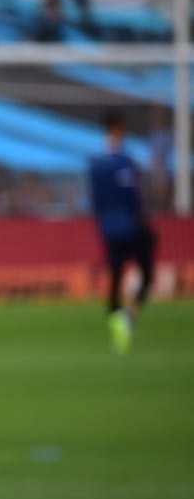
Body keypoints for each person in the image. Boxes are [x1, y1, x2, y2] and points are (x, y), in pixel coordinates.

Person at [88, 109, 157, 354]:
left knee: (116, 276)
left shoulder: (95, 164)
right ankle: (129, 316)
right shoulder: (124, 162)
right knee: (147, 274)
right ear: (119, 128)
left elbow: (94, 201)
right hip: (130, 226)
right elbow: (132, 197)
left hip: (108, 228)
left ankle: (116, 320)